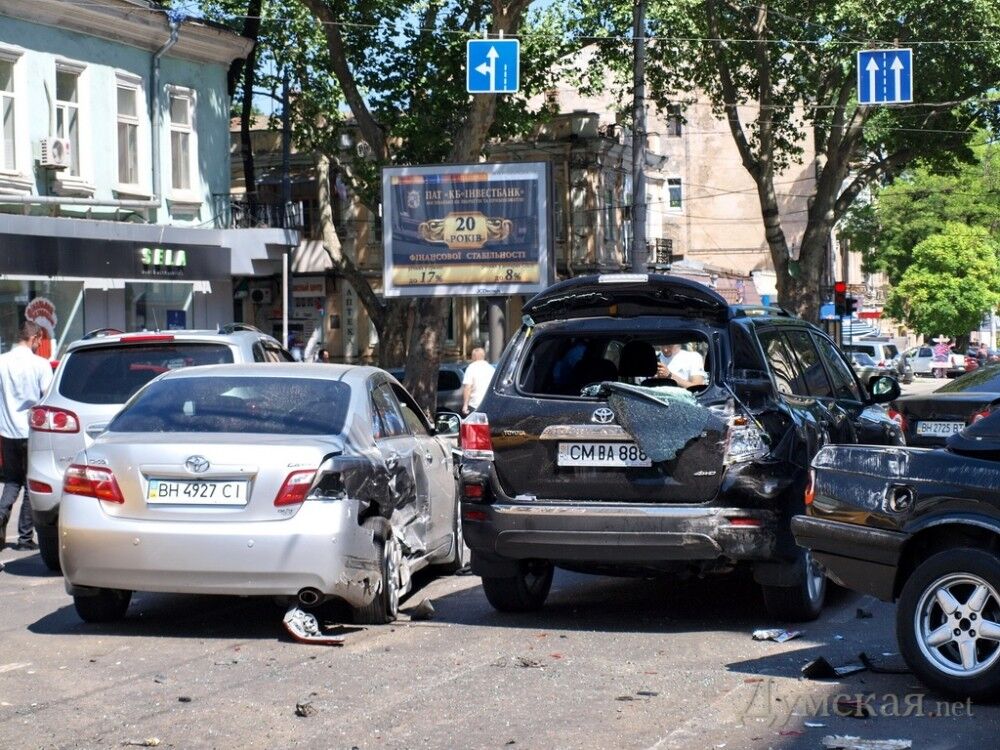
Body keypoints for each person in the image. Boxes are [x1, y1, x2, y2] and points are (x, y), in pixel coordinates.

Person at [0, 321, 54, 555]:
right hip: (32, 432)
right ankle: (24, 537)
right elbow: (48, 397)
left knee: (12, 481)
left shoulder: (1, 362)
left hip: (7, 431)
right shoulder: (41, 365)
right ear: (34, 338)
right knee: (32, 484)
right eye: (39, 341)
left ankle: (2, 518)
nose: (40, 345)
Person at [461, 347, 495, 416]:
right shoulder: (491, 369)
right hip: (489, 405)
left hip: (475, 405)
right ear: (483, 356)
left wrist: (465, 405)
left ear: (473, 357)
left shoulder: (471, 368)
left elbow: (468, 387)